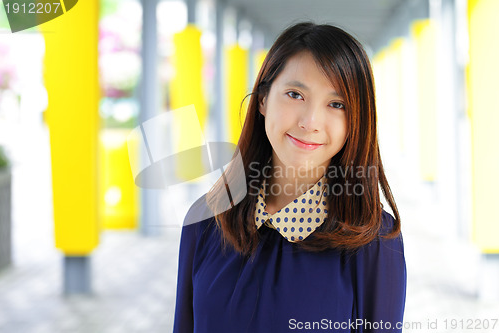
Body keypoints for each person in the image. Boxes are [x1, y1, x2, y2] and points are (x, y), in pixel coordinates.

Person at [173, 21, 406, 333]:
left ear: (356, 121)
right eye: (295, 94)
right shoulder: (206, 220)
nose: (310, 122)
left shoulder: (372, 237)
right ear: (263, 100)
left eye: (337, 104)